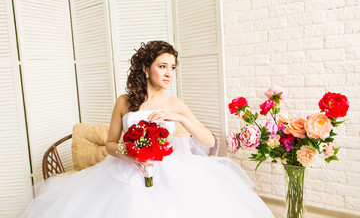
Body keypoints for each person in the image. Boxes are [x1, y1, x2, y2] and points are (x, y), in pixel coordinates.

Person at [21, 41, 274, 218]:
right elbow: (110, 144)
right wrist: (129, 153)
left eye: (173, 67)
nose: (169, 73)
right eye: (162, 66)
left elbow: (208, 140)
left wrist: (180, 118)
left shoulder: (176, 103)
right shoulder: (123, 101)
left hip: (173, 171)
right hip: (127, 170)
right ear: (145, 68)